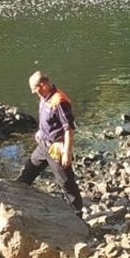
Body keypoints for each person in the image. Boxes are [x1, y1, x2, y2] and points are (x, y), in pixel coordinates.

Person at [16, 71, 84, 215]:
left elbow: (69, 128)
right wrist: (41, 131)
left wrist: (67, 152)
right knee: (28, 172)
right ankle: (16, 202)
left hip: (57, 148)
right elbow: (47, 119)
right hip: (43, 144)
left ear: (44, 85)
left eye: (35, 89)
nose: (33, 92)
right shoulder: (44, 97)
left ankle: (77, 214)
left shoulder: (59, 101)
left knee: (66, 182)